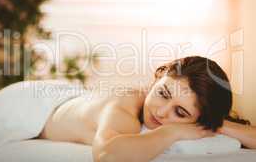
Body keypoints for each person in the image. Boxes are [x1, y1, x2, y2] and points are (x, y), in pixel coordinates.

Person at [39, 56, 256, 162]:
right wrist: (172, 130)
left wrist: (218, 125)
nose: (161, 112)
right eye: (163, 93)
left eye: (180, 113)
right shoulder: (124, 108)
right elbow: (107, 155)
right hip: (43, 105)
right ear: (156, 81)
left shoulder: (200, 118)